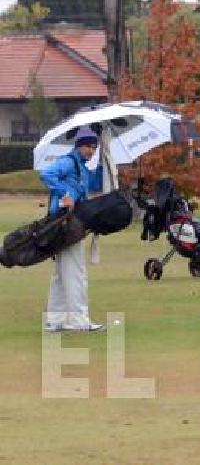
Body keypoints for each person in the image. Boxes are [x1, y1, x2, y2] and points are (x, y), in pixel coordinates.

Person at [39, 126, 105, 332]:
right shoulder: (69, 162)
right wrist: (65, 192)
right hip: (65, 223)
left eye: (94, 147)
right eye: (88, 146)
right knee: (76, 272)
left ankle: (54, 320)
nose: (91, 151)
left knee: (61, 273)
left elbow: (93, 184)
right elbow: (46, 174)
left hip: (67, 223)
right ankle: (79, 321)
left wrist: (106, 160)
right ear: (78, 146)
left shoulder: (82, 167)